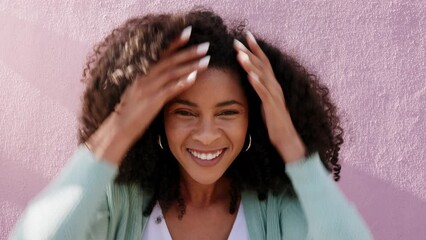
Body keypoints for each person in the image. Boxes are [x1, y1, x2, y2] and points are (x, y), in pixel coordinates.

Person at [10, 8, 373, 240]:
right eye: (185, 112)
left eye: (228, 112)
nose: (207, 134)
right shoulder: (120, 202)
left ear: (255, 119)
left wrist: (291, 145)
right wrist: (117, 131)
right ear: (158, 119)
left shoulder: (275, 209)